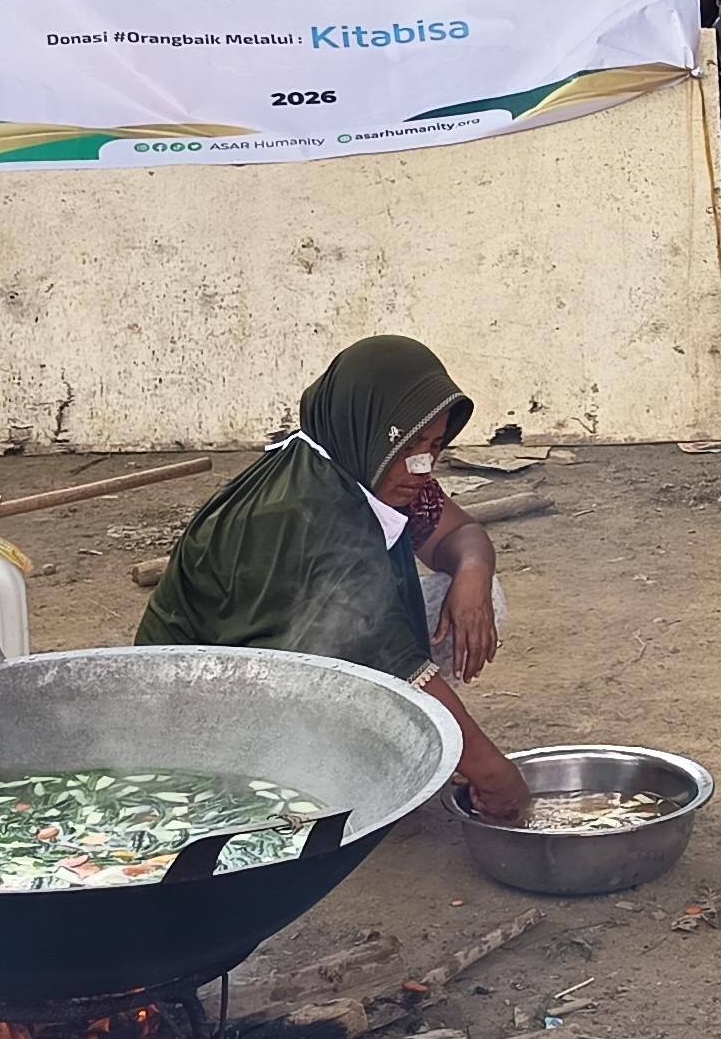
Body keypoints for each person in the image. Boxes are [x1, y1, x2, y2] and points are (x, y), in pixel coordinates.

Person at [134, 336, 535, 820]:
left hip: (288, 674)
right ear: (362, 425)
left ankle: (369, 755)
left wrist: (471, 575)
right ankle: (311, 783)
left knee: (481, 592)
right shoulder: (301, 511)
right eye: (409, 446)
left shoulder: (360, 467)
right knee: (388, 677)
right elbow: (389, 663)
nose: (422, 467)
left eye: (433, 447)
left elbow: (463, 534)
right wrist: (494, 774)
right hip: (200, 726)